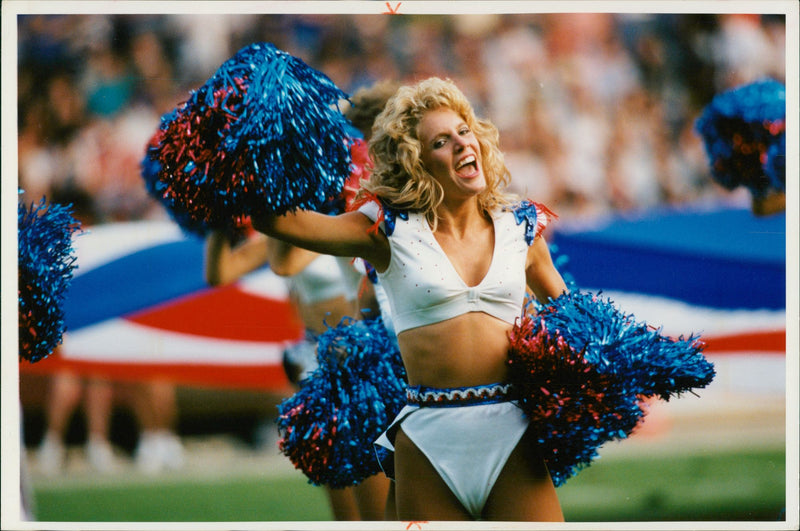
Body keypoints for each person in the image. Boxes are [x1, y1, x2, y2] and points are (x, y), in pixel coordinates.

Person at [252, 77, 567, 521]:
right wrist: (269, 143)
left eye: (464, 131)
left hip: (512, 434)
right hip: (429, 439)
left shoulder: (521, 226)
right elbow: (282, 224)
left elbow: (575, 322)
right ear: (417, 161)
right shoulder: (386, 229)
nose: (461, 145)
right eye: (442, 141)